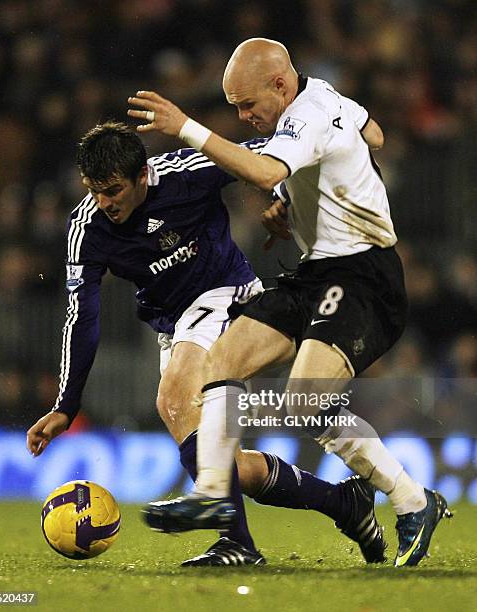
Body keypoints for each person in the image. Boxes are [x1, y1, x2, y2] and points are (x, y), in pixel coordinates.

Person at [127, 38, 452, 567]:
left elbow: (265, 172)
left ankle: (414, 502)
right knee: (222, 359)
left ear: (281, 85)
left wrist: (187, 127)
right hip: (316, 273)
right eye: (233, 106)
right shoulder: (325, 98)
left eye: (248, 105)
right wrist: (300, 206)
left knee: (303, 400)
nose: (243, 116)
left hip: (364, 275)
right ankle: (213, 491)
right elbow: (374, 131)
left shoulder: (310, 111)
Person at [26, 121, 388, 567]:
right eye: (95, 190)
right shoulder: (87, 228)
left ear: (142, 175)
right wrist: (67, 404)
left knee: (174, 399)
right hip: (173, 324)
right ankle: (345, 504)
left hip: (228, 293)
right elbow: (82, 316)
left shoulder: (188, 172)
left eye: (114, 190)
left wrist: (341, 136)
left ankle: (237, 544)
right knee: (226, 466)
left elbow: (273, 152)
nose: (104, 202)